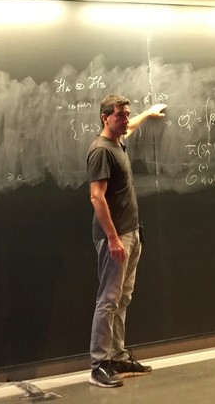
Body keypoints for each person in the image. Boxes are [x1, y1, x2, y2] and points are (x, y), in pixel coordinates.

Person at [86, 94, 166, 388]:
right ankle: (99, 365)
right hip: (115, 237)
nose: (124, 120)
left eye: (126, 114)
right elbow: (96, 196)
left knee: (123, 297)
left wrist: (147, 113)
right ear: (105, 118)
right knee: (108, 299)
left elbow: (129, 127)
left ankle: (117, 356)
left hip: (131, 232)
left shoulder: (118, 139)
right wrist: (112, 238)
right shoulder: (101, 151)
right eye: (120, 116)